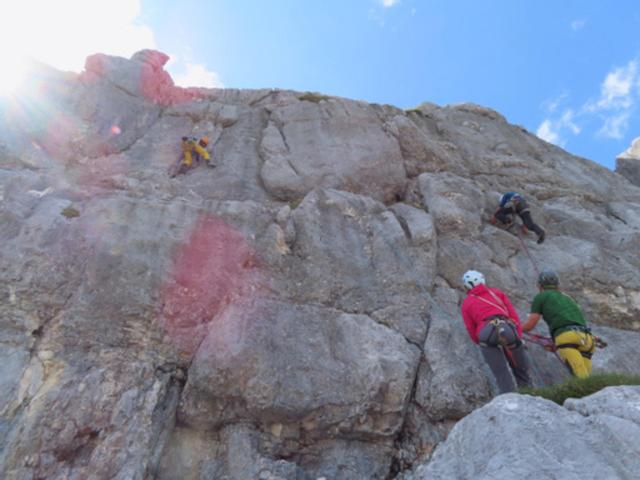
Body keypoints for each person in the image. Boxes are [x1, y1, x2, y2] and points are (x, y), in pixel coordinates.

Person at [460, 270, 532, 393]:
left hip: (485, 332)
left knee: (501, 373)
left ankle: (509, 400)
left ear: (467, 286)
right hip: (506, 328)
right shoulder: (497, 293)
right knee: (521, 370)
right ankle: (528, 393)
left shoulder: (466, 303)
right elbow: (513, 316)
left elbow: (471, 328)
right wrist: (517, 337)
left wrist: (481, 341)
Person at [522, 269, 595, 378]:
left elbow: (531, 322)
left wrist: (517, 329)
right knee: (588, 378)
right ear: (557, 284)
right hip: (588, 339)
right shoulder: (568, 298)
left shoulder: (541, 296)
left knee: (580, 377)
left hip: (567, 337)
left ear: (539, 285)